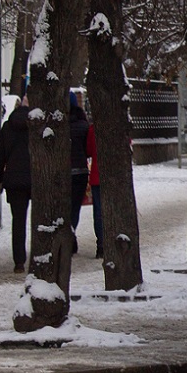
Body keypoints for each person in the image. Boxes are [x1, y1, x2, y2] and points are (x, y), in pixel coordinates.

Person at [0, 95, 32, 272]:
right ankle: (41, 257)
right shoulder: (39, 125)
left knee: (19, 221)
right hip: (37, 179)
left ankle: (19, 261)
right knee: (41, 220)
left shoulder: (8, 127)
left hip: (14, 179)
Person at [68, 91, 90, 255]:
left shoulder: (59, 124)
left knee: (63, 206)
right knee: (75, 207)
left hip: (63, 173)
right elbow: (88, 149)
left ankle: (67, 237)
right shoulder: (83, 125)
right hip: (80, 172)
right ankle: (71, 232)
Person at [86, 123, 103, 257]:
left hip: (97, 176)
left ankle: (101, 244)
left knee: (98, 211)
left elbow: (89, 150)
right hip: (115, 177)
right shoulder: (119, 124)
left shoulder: (93, 129)